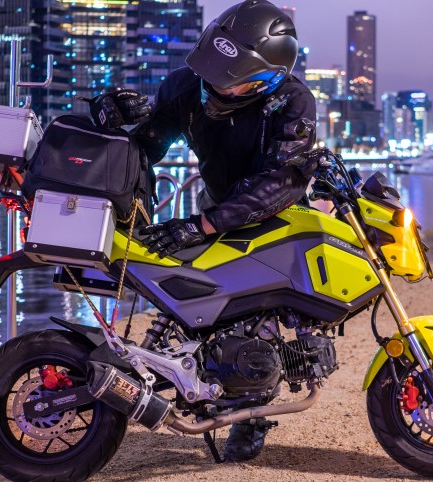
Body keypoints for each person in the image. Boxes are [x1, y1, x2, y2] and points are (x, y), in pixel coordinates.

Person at [100, 0, 317, 462]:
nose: (215, 86)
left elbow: (282, 181)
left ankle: (249, 413)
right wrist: (112, 120)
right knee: (202, 302)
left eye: (229, 80)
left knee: (258, 311)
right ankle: (191, 379)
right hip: (216, 202)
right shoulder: (185, 86)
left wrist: (202, 225)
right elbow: (148, 145)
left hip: (275, 211)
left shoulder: (294, 102)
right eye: (212, 72)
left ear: (267, 79)